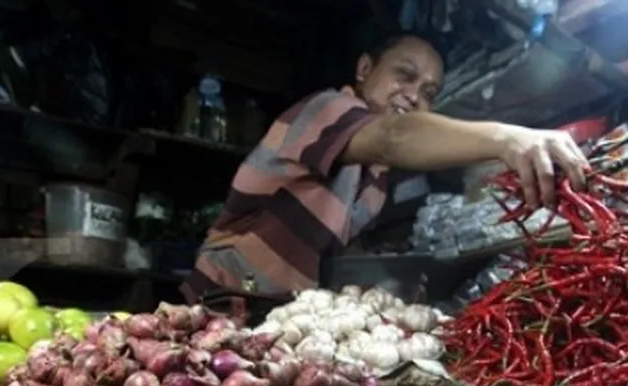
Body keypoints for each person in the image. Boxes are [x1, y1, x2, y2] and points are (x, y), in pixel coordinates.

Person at [180, 32, 590, 302]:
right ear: (364, 70)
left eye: (429, 92)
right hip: (216, 304)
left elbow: (341, 247)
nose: (414, 96)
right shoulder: (327, 109)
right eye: (404, 76)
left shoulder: (374, 176)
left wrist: (395, 283)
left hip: (268, 319)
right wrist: (505, 138)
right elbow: (395, 137)